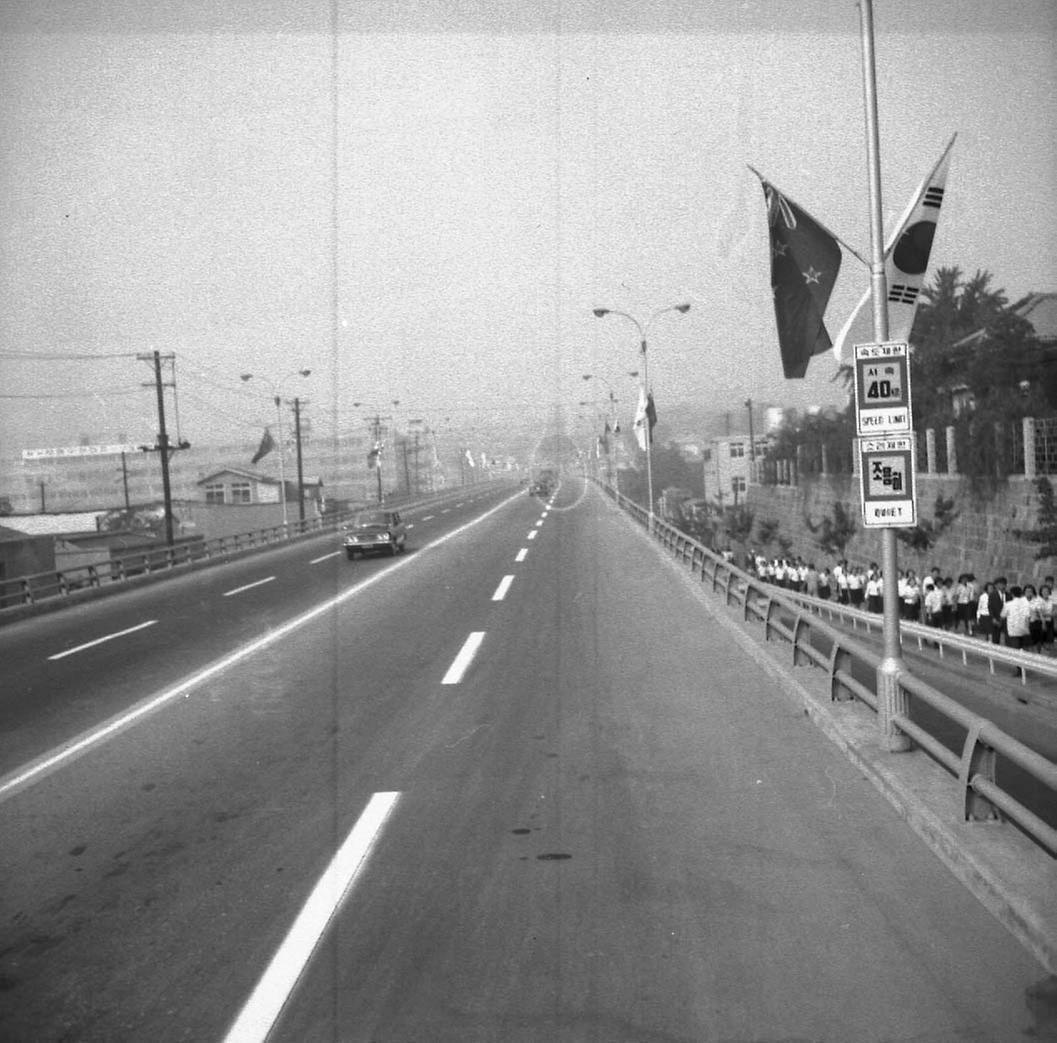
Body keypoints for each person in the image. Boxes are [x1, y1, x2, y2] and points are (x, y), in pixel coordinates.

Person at [1000, 585, 1031, 651]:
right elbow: (1028, 617)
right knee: (1024, 650)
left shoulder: (1008, 604)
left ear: (1012, 594)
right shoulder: (1026, 604)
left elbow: (1002, 616)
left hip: (1013, 631)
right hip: (1024, 630)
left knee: (1014, 651)